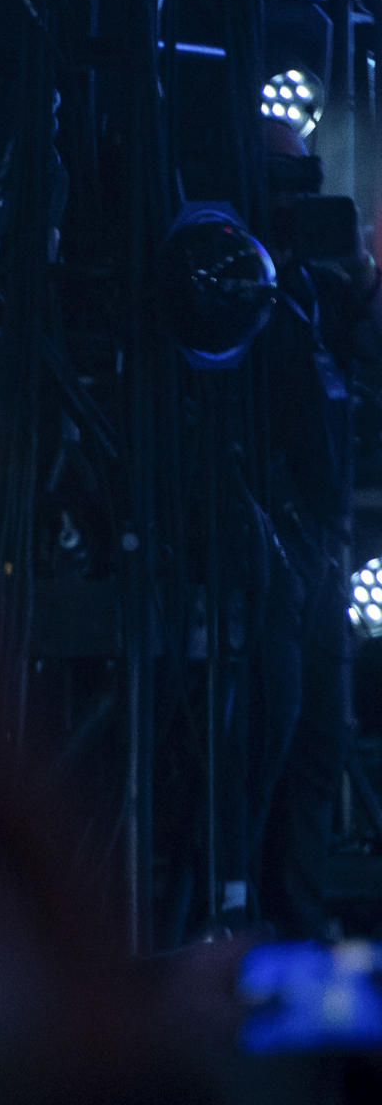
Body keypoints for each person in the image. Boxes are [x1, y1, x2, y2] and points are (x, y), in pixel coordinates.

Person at [247, 116, 382, 938]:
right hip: (274, 536)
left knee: (322, 737)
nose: (299, 199)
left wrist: (361, 265)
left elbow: (370, 343)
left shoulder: (313, 292)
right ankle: (242, 906)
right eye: (284, 181)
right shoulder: (241, 288)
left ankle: (297, 916)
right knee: (275, 722)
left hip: (323, 540)